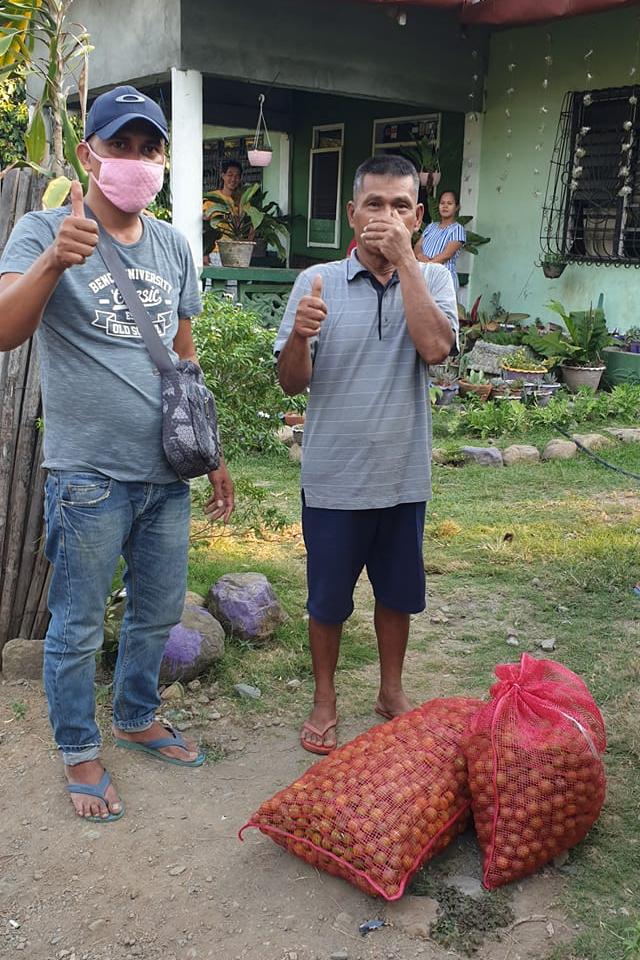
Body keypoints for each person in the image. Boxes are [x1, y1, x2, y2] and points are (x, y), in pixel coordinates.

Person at [0, 85, 234, 822]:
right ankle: (79, 748)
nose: (136, 161)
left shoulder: (172, 245)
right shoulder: (44, 231)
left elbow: (182, 355)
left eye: (148, 148)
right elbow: (5, 331)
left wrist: (212, 448)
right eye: (121, 147)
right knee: (75, 623)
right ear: (88, 155)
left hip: (168, 472)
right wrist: (52, 267)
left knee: (158, 611)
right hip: (89, 475)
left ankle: (135, 714)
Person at [275, 155, 458, 755]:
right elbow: (290, 384)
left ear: (419, 215)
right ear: (352, 213)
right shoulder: (317, 280)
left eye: (401, 205)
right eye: (374, 204)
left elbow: (435, 349)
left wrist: (408, 260)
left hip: (403, 478)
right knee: (327, 600)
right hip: (332, 478)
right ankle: (325, 700)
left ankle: (390, 692)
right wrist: (300, 335)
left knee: (397, 595)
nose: (387, 216)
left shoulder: (433, 280)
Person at [414, 189, 466, 290]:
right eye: (442, 203)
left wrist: (426, 265)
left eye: (449, 203)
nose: (445, 206)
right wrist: (420, 255)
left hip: (443, 278)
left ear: (457, 207)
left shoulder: (457, 229)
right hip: (423, 277)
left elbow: (446, 255)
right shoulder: (431, 226)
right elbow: (418, 245)